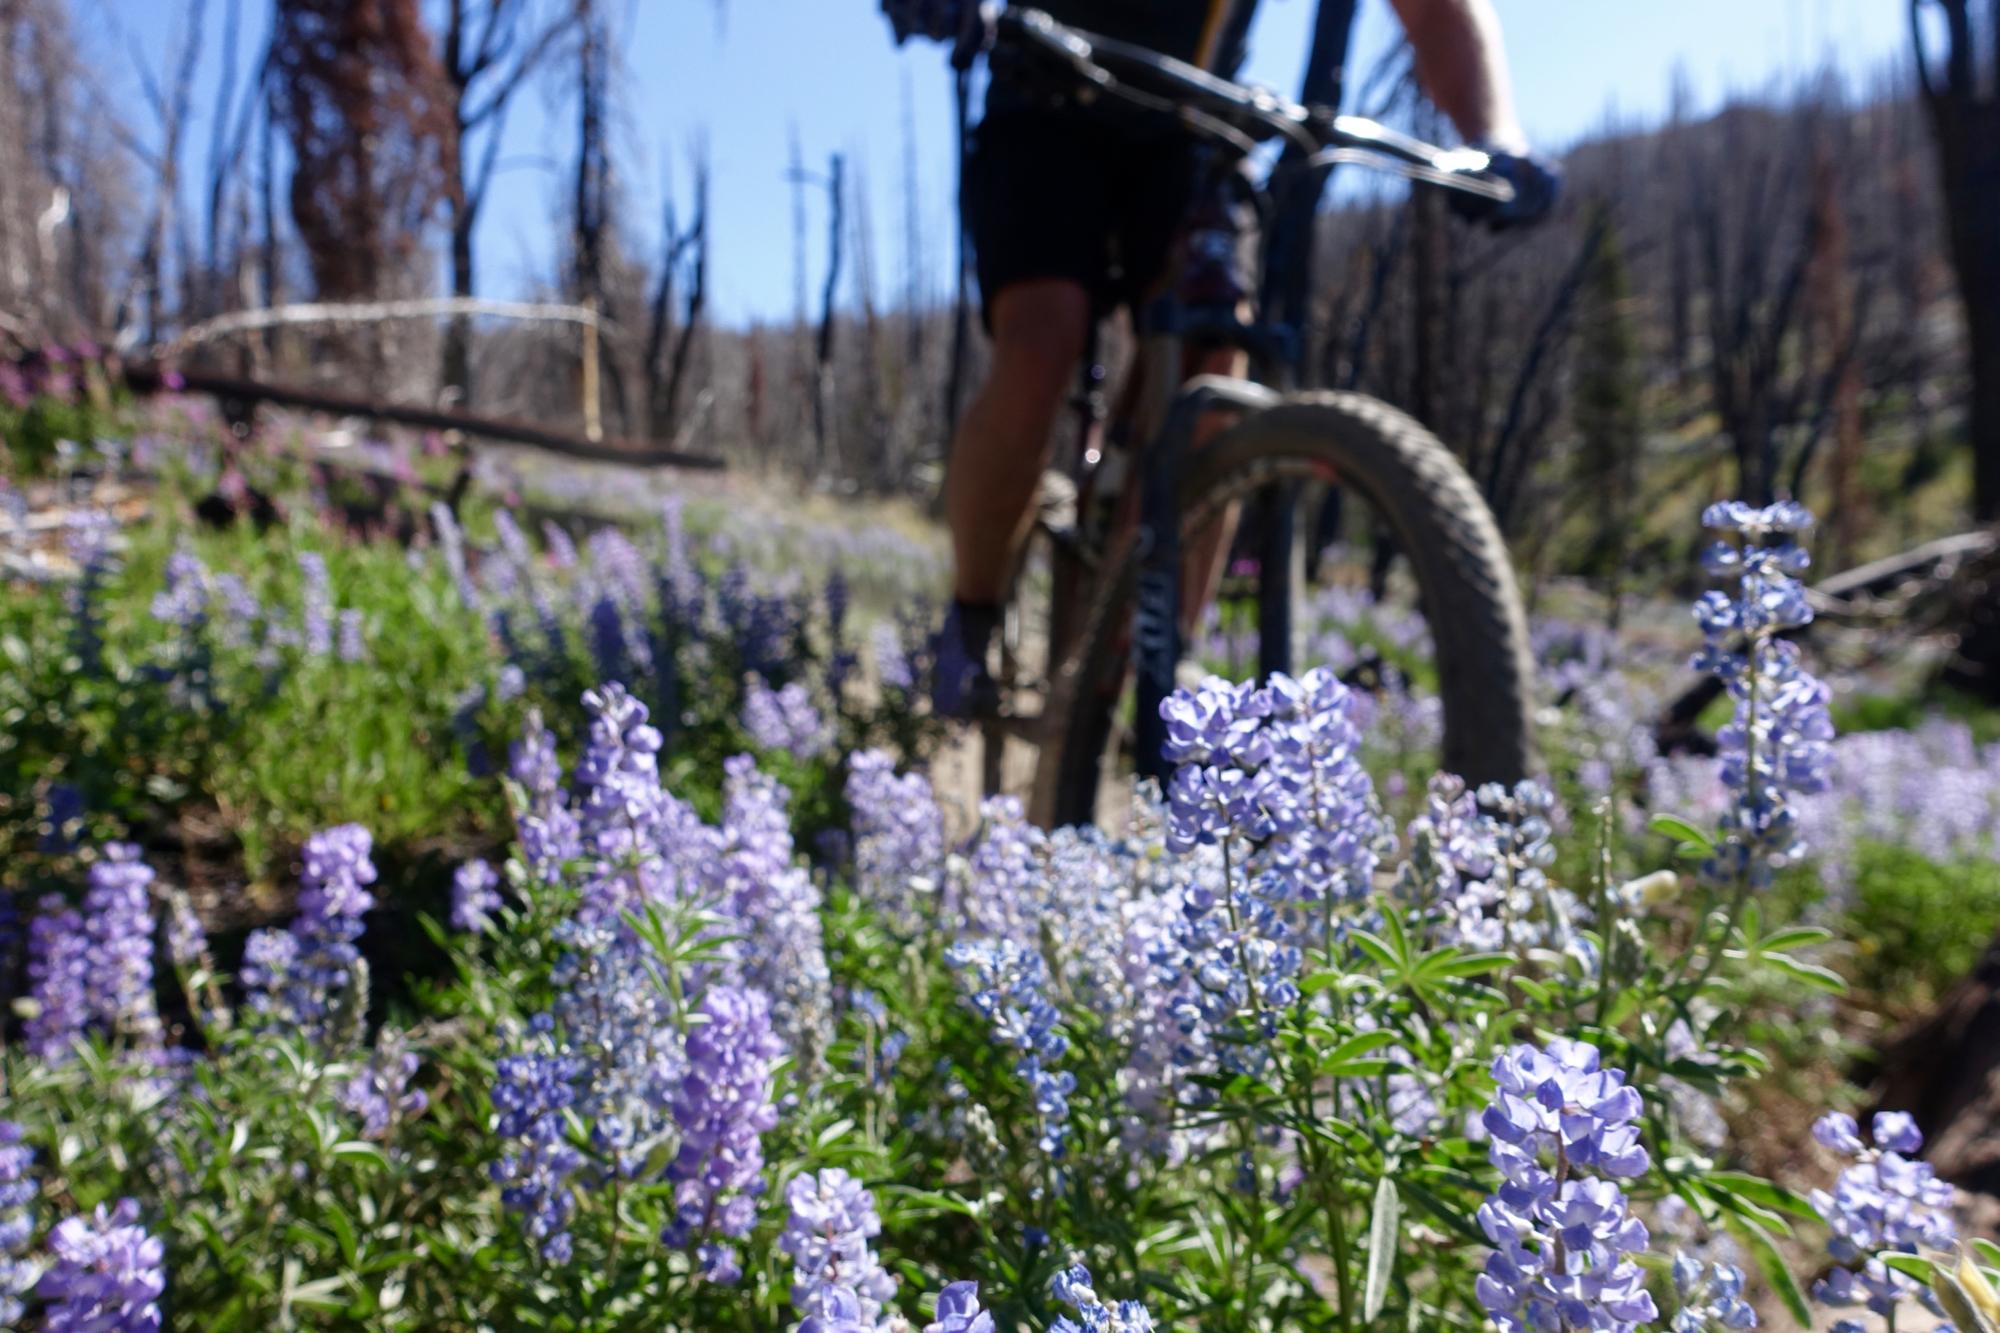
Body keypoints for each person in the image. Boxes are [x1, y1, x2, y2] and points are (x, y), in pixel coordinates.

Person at [883, 0, 1560, 716]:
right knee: (1041, 346)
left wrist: (1495, 137)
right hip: (1045, 94)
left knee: (1214, 373)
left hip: (1195, 130)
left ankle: (1151, 669)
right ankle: (973, 622)